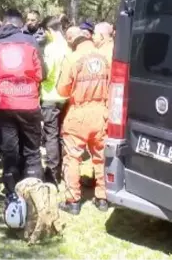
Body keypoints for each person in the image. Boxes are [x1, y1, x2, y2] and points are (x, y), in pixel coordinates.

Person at [0, 8, 46, 202]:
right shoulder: (31, 41)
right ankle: (34, 195)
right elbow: (42, 72)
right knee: (32, 151)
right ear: (20, 24)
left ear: (3, 23)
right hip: (28, 103)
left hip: (4, 104)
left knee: (9, 152)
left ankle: (12, 196)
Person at [57, 26, 111, 215]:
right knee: (101, 156)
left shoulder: (72, 58)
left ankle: (73, 201)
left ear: (73, 41)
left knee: (72, 157)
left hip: (79, 113)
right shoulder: (105, 58)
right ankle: (103, 198)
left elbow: (62, 90)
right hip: (101, 112)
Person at [39, 14, 70, 185]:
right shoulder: (68, 47)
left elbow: (46, 73)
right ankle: (63, 169)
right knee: (60, 135)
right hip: (65, 97)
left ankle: (52, 174)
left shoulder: (51, 48)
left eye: (45, 32)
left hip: (50, 96)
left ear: (50, 30)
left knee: (51, 136)